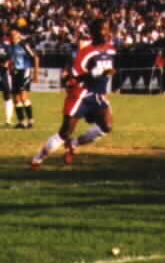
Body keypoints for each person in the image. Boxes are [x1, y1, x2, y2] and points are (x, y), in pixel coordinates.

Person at [30, 18, 116, 170]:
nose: (105, 32)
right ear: (93, 32)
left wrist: (107, 74)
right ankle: (38, 159)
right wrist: (99, 73)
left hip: (98, 95)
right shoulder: (86, 52)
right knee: (65, 132)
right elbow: (75, 76)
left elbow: (109, 68)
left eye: (107, 29)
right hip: (80, 94)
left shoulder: (111, 49)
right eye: (102, 29)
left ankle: (74, 144)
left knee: (106, 126)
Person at [8, 27, 40, 129]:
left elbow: (35, 57)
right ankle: (21, 122)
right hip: (15, 73)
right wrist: (11, 67)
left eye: (14, 34)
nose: (12, 36)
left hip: (24, 71)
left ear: (18, 35)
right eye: (11, 35)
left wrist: (36, 73)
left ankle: (31, 121)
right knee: (15, 98)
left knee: (23, 96)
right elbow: (12, 59)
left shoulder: (24, 45)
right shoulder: (11, 46)